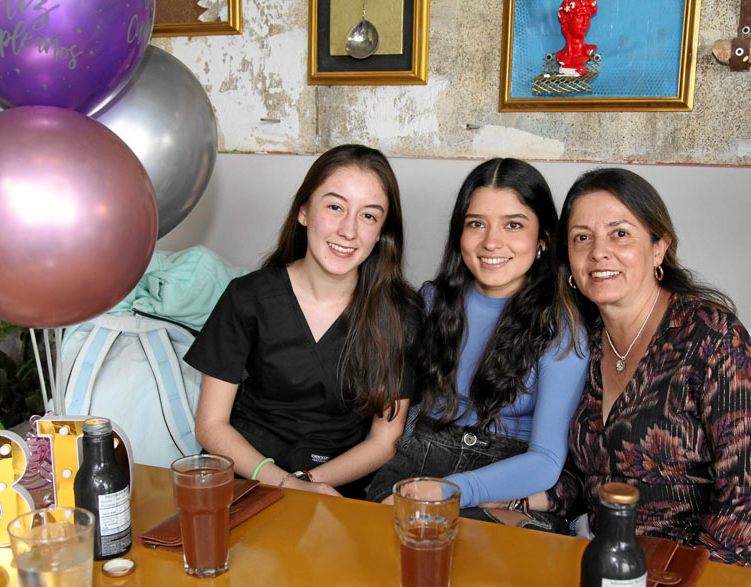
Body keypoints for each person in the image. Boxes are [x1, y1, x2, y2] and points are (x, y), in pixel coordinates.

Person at [536, 167, 750, 565]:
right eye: (582, 237)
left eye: (620, 234)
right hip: (601, 556)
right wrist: (518, 501)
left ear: (658, 248)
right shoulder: (578, 343)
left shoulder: (711, 335)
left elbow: (743, 505)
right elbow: (588, 476)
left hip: (691, 567)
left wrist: (677, 575)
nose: (599, 251)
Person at [185, 144, 422, 499]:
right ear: (304, 212)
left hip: (336, 490)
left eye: (368, 216)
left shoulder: (401, 315)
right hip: (244, 478)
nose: (348, 230)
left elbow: (384, 441)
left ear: (382, 233)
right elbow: (211, 425)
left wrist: (309, 483)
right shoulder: (247, 297)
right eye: (335, 207)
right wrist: (283, 482)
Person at [365, 158, 589, 532]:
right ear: (460, 234)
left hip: (506, 477)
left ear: (543, 240)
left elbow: (546, 460)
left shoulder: (561, 328)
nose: (491, 242)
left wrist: (447, 491)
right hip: (418, 460)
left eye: (513, 225)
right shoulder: (432, 302)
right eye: (476, 224)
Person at [556, 0, 598, 77]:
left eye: (588, 17)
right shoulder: (560, 55)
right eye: (580, 16)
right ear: (568, 19)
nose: (585, 23)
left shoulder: (587, 51)